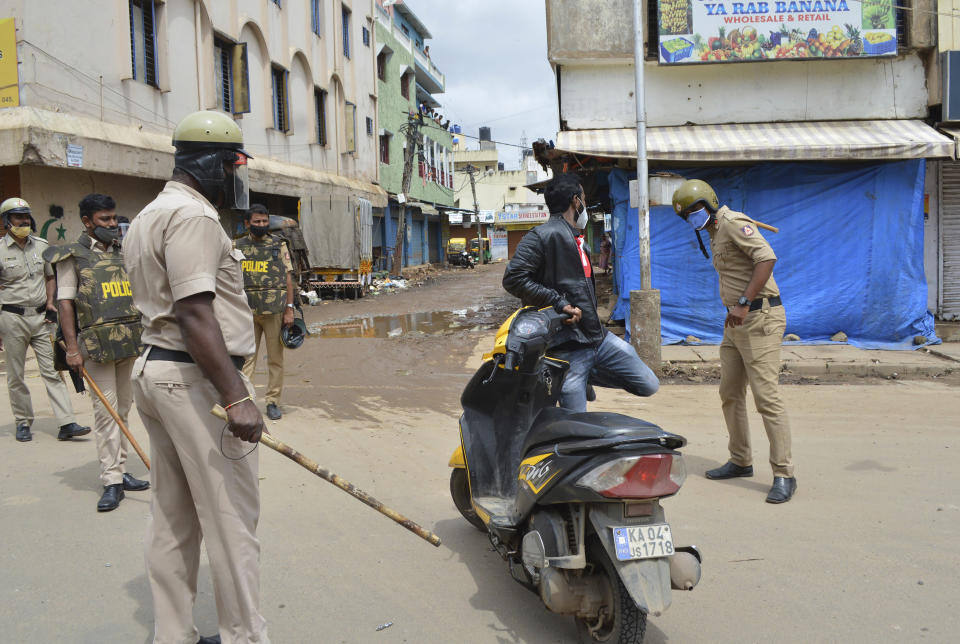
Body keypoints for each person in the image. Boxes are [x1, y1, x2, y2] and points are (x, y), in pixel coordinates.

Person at [125, 110, 269, 644]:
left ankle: (172, 634)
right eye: (233, 164)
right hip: (195, 381)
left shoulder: (147, 215)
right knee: (230, 520)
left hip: (157, 371)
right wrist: (237, 399)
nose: (236, 175)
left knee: (172, 516)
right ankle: (245, 637)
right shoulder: (194, 218)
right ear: (211, 163)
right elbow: (194, 314)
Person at [671, 179, 796, 504]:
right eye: (688, 216)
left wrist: (742, 302)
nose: (693, 218)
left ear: (710, 204)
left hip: (759, 318)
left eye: (696, 210)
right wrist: (737, 309)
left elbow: (766, 259)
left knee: (766, 398)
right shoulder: (714, 232)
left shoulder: (732, 223)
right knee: (730, 393)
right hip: (736, 322)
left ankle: (784, 474)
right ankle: (740, 460)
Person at [503, 172, 659, 412]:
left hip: (598, 338)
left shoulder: (580, 241)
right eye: (584, 198)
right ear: (576, 201)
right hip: (568, 348)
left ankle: (586, 375)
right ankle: (563, 376)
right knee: (574, 426)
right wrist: (558, 303)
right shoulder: (540, 236)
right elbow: (513, 279)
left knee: (648, 383)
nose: (585, 204)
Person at [44, 193, 150, 512]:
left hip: (128, 341)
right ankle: (111, 480)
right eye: (104, 219)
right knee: (107, 413)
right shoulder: (71, 256)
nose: (112, 224)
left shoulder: (122, 251)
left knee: (124, 410)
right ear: (87, 222)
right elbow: (65, 303)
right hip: (96, 346)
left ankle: (121, 467)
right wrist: (73, 349)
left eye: (114, 218)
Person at [0, 197, 90, 443]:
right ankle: (22, 422)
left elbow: (50, 277)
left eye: (26, 217)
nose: (24, 221)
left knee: (53, 371)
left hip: (41, 318)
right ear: (7, 222)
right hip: (11, 317)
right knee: (16, 375)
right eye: (18, 218)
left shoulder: (40, 246)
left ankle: (66, 422)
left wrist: (51, 301)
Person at [237, 204, 296, 421]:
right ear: (247, 223)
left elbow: (288, 278)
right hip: (247, 313)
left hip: (274, 313)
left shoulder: (278, 245)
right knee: (246, 360)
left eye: (264, 221)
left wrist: (289, 309)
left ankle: (273, 402)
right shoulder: (237, 246)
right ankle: (246, 401)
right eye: (257, 222)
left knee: (275, 360)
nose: (261, 225)